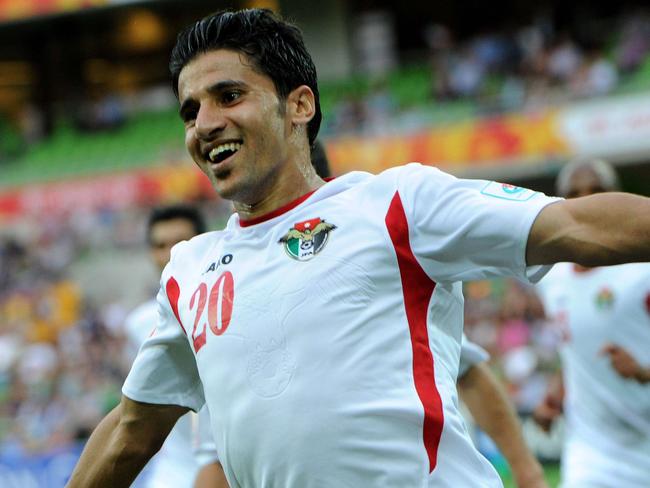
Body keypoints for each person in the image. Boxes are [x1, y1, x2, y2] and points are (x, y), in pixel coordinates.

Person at [67, 9, 650, 487]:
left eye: (229, 95)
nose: (204, 124)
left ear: (299, 105)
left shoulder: (396, 205)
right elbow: (129, 432)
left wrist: (525, 470)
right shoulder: (189, 273)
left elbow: (578, 224)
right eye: (190, 111)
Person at [189, 145, 548, 488]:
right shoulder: (222, 311)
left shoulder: (377, 261)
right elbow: (208, 457)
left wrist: (527, 471)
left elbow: (469, 373)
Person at [533, 158, 650, 487]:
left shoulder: (643, 271)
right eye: (575, 194)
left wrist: (643, 372)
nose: (588, 201)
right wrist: (554, 395)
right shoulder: (551, 279)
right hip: (590, 451)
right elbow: (572, 347)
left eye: (597, 191)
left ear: (616, 198)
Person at [121, 204, 210, 488]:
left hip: (234, 464)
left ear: (203, 241)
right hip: (176, 467)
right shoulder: (138, 324)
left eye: (180, 241)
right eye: (160, 245)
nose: (171, 253)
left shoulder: (230, 306)